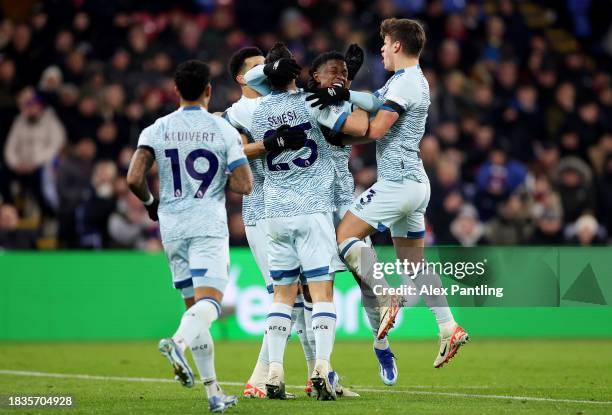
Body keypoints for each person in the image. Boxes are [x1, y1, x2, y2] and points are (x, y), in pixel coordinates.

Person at [307, 18, 469, 369]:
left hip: (398, 183)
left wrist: (341, 133)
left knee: (345, 237)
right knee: (414, 263)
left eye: (384, 44)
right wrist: (343, 94)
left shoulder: (408, 82)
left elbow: (376, 129)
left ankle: (384, 294)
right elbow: (374, 99)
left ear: (396, 44)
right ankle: (448, 326)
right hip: (414, 185)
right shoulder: (406, 80)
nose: (380, 50)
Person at [126, 60, 253, 413]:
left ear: (176, 92)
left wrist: (152, 204)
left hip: (172, 226)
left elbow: (134, 178)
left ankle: (213, 393)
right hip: (207, 225)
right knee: (210, 304)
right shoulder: (222, 130)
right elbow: (245, 184)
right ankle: (176, 344)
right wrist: (217, 181)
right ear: (209, 91)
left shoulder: (156, 129)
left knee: (194, 311)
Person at [249, 42, 367, 400]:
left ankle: (275, 372)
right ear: (298, 74)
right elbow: (346, 116)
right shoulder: (311, 104)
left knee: (283, 297)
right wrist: (348, 80)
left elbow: (261, 78)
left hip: (274, 213)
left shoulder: (257, 113)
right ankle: (322, 368)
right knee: (321, 292)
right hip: (313, 210)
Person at [222, 46, 308, 399]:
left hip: (292, 205)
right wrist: (270, 143)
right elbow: (235, 152)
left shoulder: (279, 103)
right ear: (242, 77)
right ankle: (263, 377)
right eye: (258, 66)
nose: (266, 70)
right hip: (260, 210)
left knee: (298, 293)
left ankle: (310, 375)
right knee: (283, 292)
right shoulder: (235, 112)